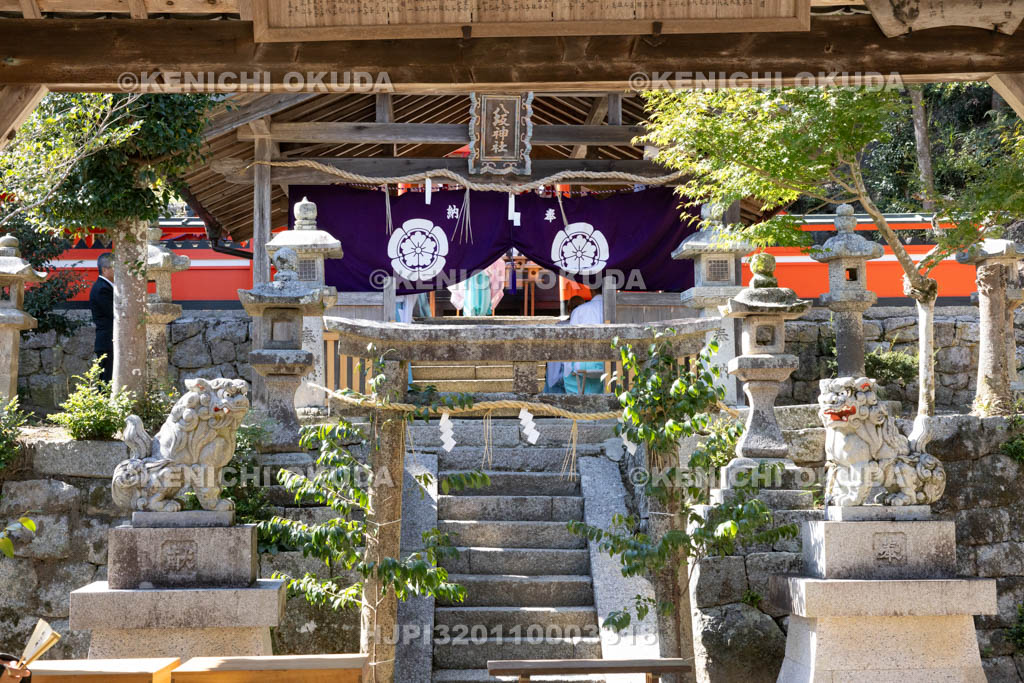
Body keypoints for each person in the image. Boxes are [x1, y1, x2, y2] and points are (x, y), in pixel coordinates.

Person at [562, 286, 605, 395]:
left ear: (592, 290)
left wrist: (567, 368)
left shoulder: (579, 311)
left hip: (582, 367)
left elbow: (571, 341)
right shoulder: (617, 309)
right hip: (610, 366)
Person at [89, 252, 115, 383]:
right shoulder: (102, 289)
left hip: (109, 342)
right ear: (105, 269)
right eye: (114, 267)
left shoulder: (107, 286)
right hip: (107, 341)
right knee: (106, 380)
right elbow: (114, 313)